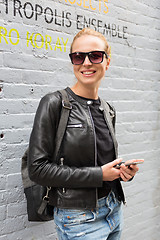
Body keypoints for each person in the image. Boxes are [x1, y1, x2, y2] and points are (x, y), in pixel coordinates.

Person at [28, 28, 143, 240]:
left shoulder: (108, 109)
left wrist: (122, 172)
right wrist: (99, 175)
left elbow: (98, 161)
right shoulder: (54, 103)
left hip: (113, 209)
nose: (86, 63)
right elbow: (37, 169)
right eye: (78, 57)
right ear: (73, 61)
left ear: (107, 62)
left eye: (95, 55)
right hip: (78, 218)